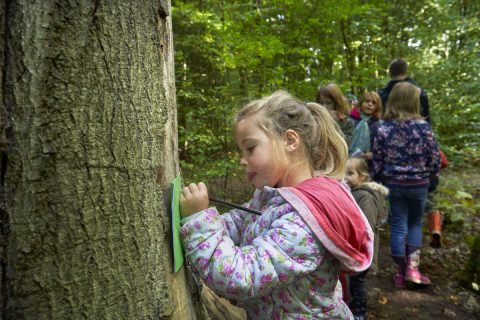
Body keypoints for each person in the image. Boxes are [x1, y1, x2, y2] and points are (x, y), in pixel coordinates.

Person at [179, 90, 374, 319]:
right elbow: (242, 223)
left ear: (290, 141)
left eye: (250, 148)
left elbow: (241, 277)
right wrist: (203, 219)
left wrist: (200, 223)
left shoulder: (303, 220)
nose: (242, 160)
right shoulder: (277, 195)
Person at [371, 82, 440, 288]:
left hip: (393, 183)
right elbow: (434, 158)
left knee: (399, 225)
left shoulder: (383, 128)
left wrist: (378, 179)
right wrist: (430, 174)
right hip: (419, 183)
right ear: (414, 102)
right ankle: (413, 268)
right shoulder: (423, 127)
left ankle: (400, 272)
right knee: (415, 223)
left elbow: (376, 159)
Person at [343, 157, 389, 320]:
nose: (345, 177)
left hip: (362, 247)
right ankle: (351, 307)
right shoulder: (352, 192)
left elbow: (366, 225)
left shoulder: (365, 197)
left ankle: (360, 312)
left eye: (350, 173)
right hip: (352, 245)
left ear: (362, 176)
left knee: (358, 280)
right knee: (351, 279)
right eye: (343, 173)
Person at [349, 92, 383, 162]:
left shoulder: (379, 124)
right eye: (367, 101)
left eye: (373, 103)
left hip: (370, 163)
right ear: (361, 103)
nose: (370, 104)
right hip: (349, 160)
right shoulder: (351, 120)